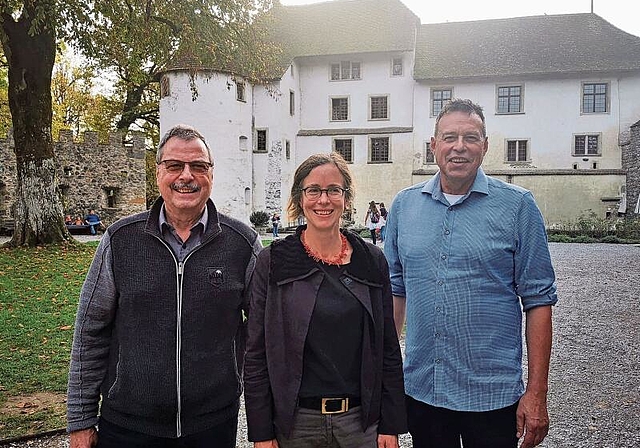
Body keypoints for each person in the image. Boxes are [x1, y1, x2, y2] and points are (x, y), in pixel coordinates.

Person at [67, 124, 262, 448]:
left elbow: (261, 332)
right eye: (175, 166)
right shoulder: (121, 239)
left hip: (212, 425)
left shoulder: (242, 243)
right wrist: (81, 419)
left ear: (211, 174)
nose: (187, 176)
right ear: (158, 173)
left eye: (198, 166)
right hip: (127, 425)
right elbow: (90, 330)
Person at [384, 99, 558, 448]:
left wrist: (536, 393)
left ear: (485, 145)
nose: (459, 147)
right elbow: (395, 291)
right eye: (449, 137)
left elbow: (539, 301)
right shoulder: (405, 206)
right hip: (424, 391)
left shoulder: (518, 206)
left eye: (471, 137)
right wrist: (385, 380)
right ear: (433, 145)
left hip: (492, 397)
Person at [244, 153, 407, 448]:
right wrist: (261, 433)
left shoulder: (370, 260)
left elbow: (387, 348)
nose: (324, 200)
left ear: (345, 198)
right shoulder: (274, 261)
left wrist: (391, 423)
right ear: (300, 197)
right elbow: (256, 353)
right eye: (313, 190)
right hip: (296, 425)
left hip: (359, 423)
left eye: (334, 190)